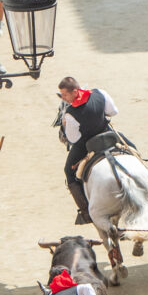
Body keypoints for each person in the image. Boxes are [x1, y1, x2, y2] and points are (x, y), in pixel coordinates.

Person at [58, 75, 119, 223]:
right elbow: (113, 112)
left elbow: (73, 139)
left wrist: (66, 124)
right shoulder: (100, 93)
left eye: (65, 94)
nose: (63, 98)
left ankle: (85, 211)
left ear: (74, 91)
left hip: (87, 144)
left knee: (68, 171)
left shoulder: (70, 113)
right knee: (132, 149)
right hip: (108, 134)